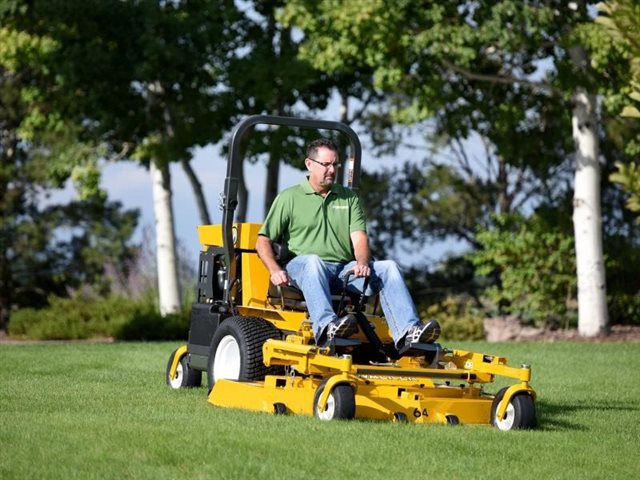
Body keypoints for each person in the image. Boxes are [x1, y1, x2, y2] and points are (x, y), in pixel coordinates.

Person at [255, 138, 440, 349]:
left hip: (343, 271)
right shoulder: (289, 198)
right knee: (314, 262)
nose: (331, 170)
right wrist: (274, 270)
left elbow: (359, 237)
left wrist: (361, 261)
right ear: (309, 164)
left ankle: (409, 332)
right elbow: (262, 241)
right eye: (326, 164)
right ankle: (327, 326)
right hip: (303, 268)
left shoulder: (348, 198)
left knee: (388, 267)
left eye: (335, 164)